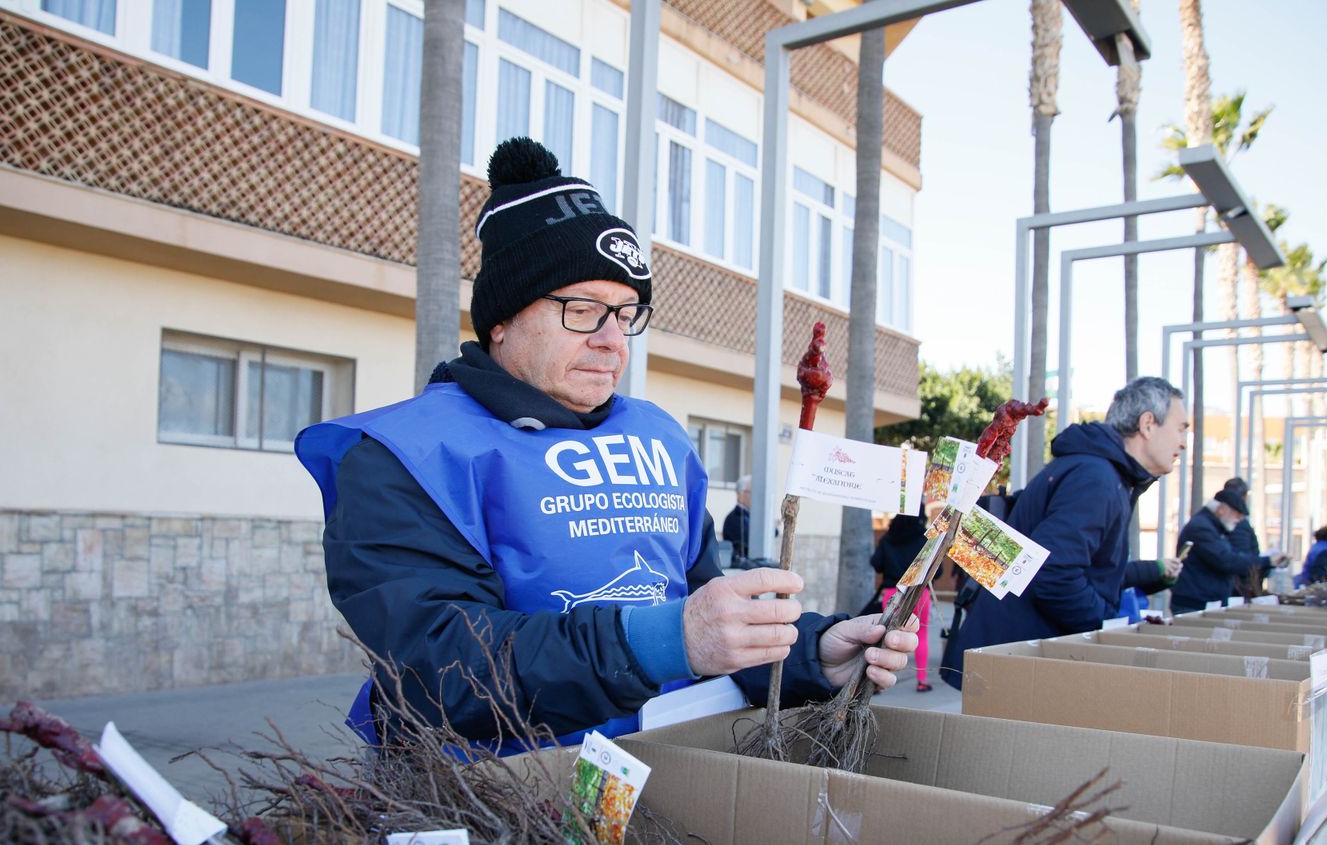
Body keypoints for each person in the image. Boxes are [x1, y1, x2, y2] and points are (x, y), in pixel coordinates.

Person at [295, 137, 916, 746]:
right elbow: (442, 672)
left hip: (665, 782)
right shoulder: (404, 455)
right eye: (583, 308)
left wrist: (808, 653)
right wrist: (667, 640)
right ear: (502, 321)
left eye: (626, 315)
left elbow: (699, 610)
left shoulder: (659, 437)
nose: (612, 341)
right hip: (495, 803)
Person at [941, 376, 1189, 688]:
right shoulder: (1096, 477)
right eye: (1181, 428)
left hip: (1012, 659)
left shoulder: (1099, 472)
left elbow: (1091, 572)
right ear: (1148, 424)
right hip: (1017, 668)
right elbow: (1054, 574)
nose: (1183, 442)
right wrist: (1103, 627)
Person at [1171, 487, 1287, 614]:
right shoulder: (1202, 528)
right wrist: (1267, 561)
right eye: (1237, 515)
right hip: (1194, 603)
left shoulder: (1212, 527)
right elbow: (1226, 560)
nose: (1239, 520)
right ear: (1221, 509)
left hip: (1200, 600)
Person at [870, 508, 932, 692]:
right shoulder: (924, 539)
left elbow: (876, 563)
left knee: (886, 636)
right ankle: (921, 680)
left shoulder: (889, 538)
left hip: (893, 593)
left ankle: (876, 683)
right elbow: (939, 572)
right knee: (922, 636)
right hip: (919, 593)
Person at [1221, 477, 1265, 599]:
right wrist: (1267, 562)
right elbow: (1242, 557)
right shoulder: (1238, 524)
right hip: (1238, 589)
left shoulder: (1228, 521)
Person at [720, 476, 752, 567]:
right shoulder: (734, 518)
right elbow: (751, 540)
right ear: (740, 494)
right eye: (751, 492)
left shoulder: (749, 516)